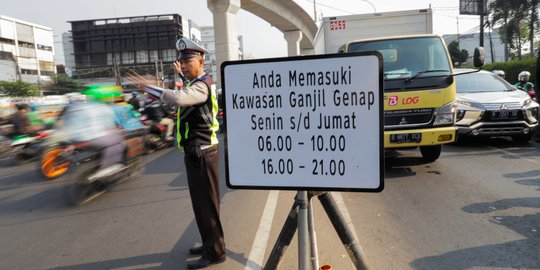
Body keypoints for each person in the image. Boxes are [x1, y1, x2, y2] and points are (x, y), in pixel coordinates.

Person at [128, 37, 224, 269]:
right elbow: (184, 90)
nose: (183, 66)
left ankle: (216, 252)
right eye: (181, 62)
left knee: (208, 205)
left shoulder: (203, 85)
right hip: (194, 153)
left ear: (201, 61)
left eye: (188, 62)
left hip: (203, 152)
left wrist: (149, 87)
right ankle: (208, 242)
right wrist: (179, 77)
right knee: (199, 204)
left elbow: (180, 98)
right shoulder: (194, 83)